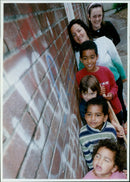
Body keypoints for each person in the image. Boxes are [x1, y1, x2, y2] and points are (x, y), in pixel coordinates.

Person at [67, 19, 127, 130]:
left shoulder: (103, 41)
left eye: (79, 30)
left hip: (113, 79)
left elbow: (116, 59)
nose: (78, 35)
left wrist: (123, 77)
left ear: (85, 28)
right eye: (74, 35)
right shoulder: (78, 57)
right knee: (110, 119)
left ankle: (124, 126)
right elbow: (84, 85)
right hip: (100, 95)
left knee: (120, 107)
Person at [76, 40, 124, 127]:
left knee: (119, 128)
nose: (89, 61)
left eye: (92, 57)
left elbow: (114, 86)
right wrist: (96, 92)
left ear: (97, 57)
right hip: (100, 113)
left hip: (114, 108)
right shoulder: (80, 75)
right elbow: (82, 94)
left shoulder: (106, 71)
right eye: (85, 58)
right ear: (81, 59)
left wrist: (111, 94)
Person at [79, 97, 117, 170]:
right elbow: (87, 156)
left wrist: (113, 166)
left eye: (98, 115)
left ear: (105, 118)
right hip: (96, 167)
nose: (93, 118)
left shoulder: (110, 130)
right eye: (89, 114)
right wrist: (92, 170)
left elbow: (114, 150)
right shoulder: (83, 135)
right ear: (85, 116)